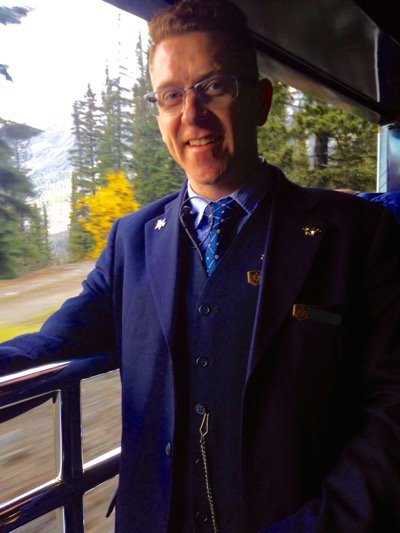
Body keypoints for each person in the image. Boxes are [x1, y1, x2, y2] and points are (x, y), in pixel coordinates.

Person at [2, 0, 400, 531]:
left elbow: (393, 408)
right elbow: (56, 343)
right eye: (171, 95)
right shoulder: (132, 240)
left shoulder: (359, 236)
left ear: (259, 100)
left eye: (214, 86)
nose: (192, 114)